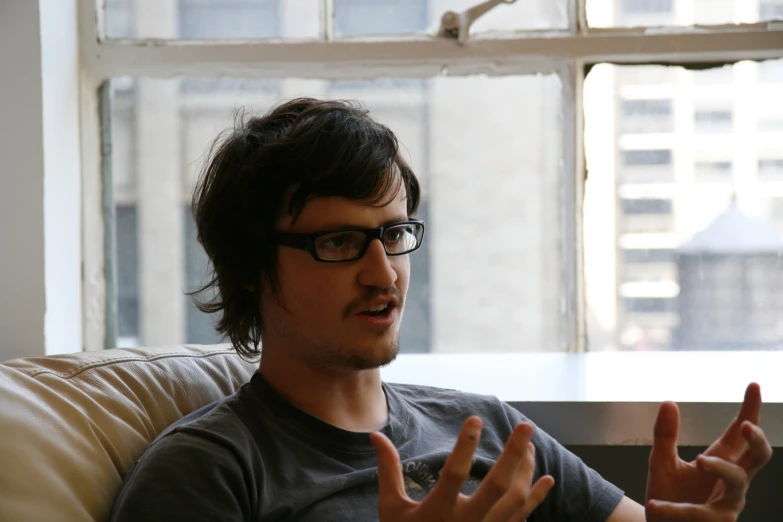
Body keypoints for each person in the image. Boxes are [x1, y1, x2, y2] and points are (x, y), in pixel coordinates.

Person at [109, 98, 772, 522]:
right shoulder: (207, 470)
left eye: (393, 234)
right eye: (339, 242)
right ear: (253, 269)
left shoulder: (484, 428)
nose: (382, 273)